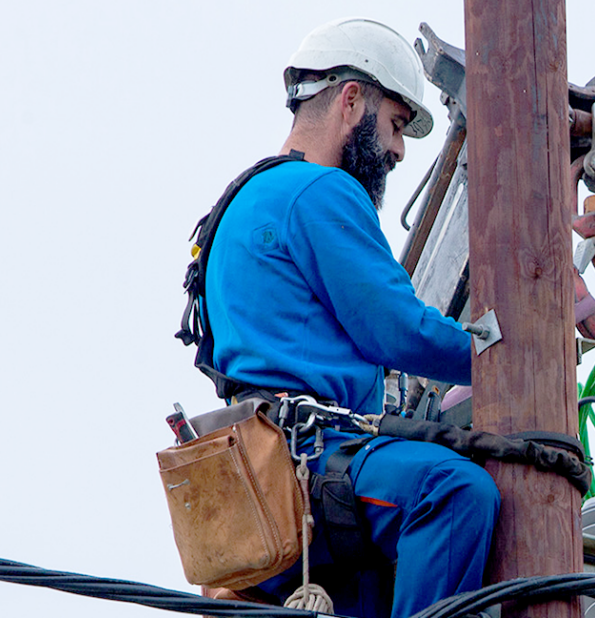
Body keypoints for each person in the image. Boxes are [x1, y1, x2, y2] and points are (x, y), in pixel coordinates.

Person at [194, 17, 496, 618]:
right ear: (352, 99)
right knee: (455, 491)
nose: (398, 151)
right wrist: (503, 354)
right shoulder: (319, 191)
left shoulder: (238, 207)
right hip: (316, 460)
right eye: (395, 124)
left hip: (261, 483)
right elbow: (396, 327)